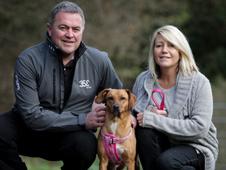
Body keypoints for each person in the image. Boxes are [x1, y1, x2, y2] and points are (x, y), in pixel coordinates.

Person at [0, 1, 122, 170]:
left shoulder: (99, 60)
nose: (70, 34)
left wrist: (138, 116)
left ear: (82, 31)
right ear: (50, 29)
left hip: (70, 136)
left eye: (76, 29)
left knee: (86, 145)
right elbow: (31, 115)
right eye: (63, 28)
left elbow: (120, 98)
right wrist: (83, 120)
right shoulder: (28, 60)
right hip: (29, 131)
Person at [132, 25, 218, 170]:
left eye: (171, 45)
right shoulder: (143, 80)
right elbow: (132, 115)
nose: (164, 50)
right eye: (159, 45)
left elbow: (200, 128)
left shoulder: (199, 82)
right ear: (153, 51)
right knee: (145, 131)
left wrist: (156, 119)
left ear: (181, 50)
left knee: (168, 162)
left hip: (195, 147)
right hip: (159, 147)